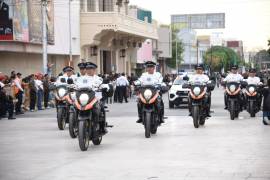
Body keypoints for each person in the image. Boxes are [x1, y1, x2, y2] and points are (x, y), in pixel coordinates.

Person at [76, 62, 109, 134]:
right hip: (83, 97)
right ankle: (76, 126)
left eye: (91, 69)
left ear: (94, 70)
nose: (89, 70)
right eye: (87, 69)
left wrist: (104, 87)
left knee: (100, 108)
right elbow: (76, 85)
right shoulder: (80, 78)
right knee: (74, 107)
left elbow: (102, 84)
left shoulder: (98, 78)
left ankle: (102, 127)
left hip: (94, 97)